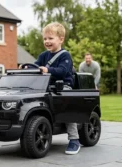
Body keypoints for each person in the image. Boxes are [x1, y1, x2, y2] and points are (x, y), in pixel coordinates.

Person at [20, 22, 80, 155]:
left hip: (63, 86)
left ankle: (74, 139)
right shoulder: (43, 55)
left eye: (50, 38)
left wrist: (47, 69)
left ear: (61, 39)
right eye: (45, 38)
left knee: (67, 107)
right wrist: (27, 67)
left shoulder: (65, 55)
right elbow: (35, 66)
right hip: (45, 86)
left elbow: (63, 71)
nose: (47, 41)